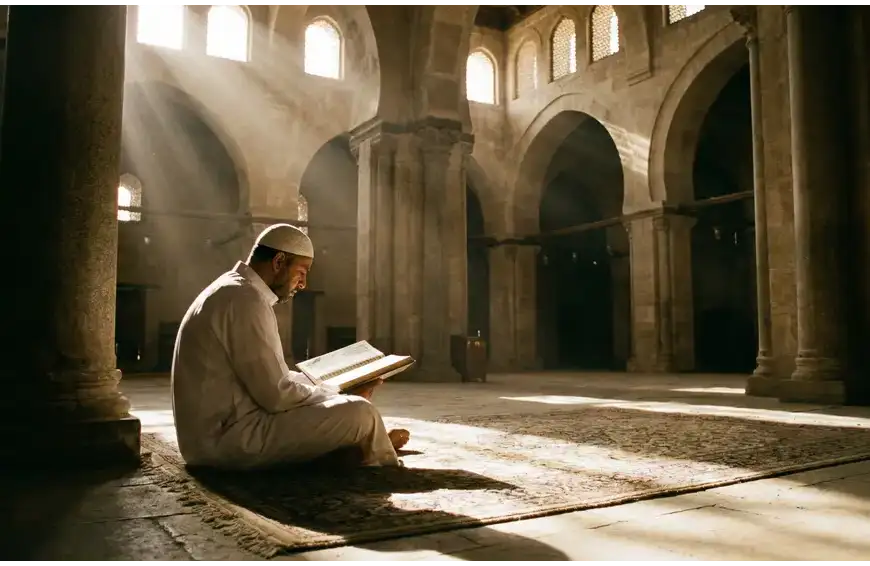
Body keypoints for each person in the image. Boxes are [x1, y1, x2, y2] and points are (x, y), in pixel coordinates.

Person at [171, 223, 409, 470]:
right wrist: (338, 394)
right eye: (302, 271)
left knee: (345, 408)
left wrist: (331, 388)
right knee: (362, 413)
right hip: (227, 438)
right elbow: (277, 395)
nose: (303, 283)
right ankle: (375, 454)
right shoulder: (245, 300)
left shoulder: (232, 289)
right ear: (278, 261)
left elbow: (275, 380)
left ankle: (362, 444)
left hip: (212, 435)